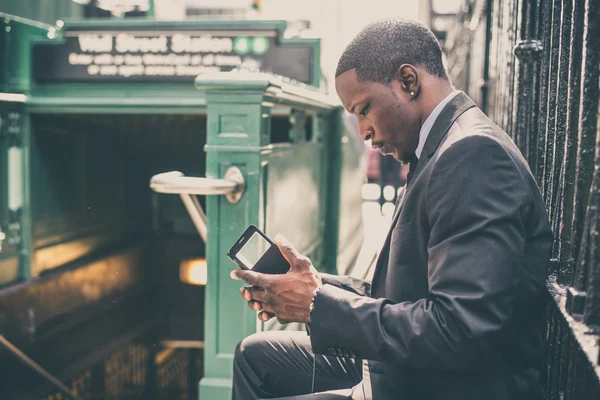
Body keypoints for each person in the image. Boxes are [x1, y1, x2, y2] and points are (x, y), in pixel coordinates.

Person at [230, 18, 553, 400]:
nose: (362, 132)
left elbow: (462, 331)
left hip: (438, 386)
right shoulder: (442, 146)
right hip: (409, 371)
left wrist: (316, 306)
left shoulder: (472, 156)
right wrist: (315, 286)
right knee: (255, 355)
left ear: (408, 81)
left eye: (363, 109)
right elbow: (410, 292)